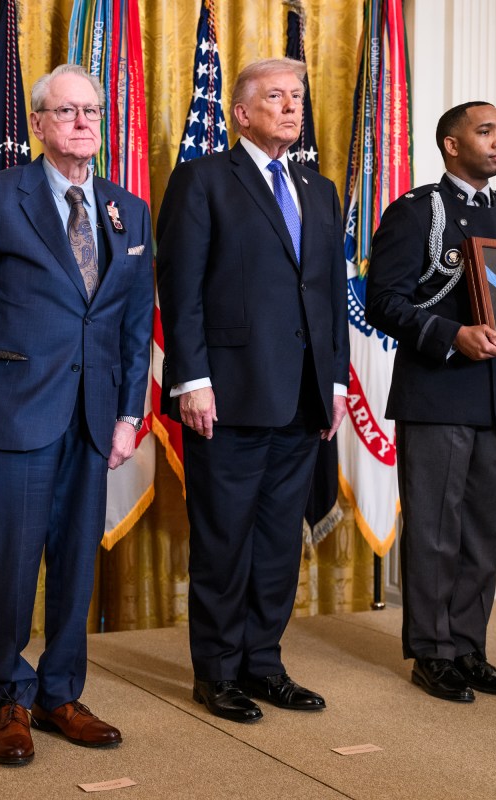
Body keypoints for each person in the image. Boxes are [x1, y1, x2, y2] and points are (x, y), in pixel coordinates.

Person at [0, 64, 153, 765]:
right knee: (10, 562)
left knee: (74, 569)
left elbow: (131, 321)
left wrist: (129, 413)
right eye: (66, 112)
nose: (82, 122)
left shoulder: (128, 209)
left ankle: (61, 692)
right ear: (38, 123)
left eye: (91, 111)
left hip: (95, 419)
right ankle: (8, 694)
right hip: (16, 415)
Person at [156, 58, 348, 724]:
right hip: (227, 395)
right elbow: (180, 289)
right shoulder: (204, 179)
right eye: (276, 96)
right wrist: (192, 379)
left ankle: (263, 663)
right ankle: (216, 673)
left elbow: (326, 298)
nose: (292, 106)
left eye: (298, 96)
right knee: (225, 539)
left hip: (302, 398)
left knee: (275, 543)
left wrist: (336, 382)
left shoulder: (319, 191)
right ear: (241, 112)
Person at [365, 101, 496, 702]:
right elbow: (383, 301)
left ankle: (469, 648)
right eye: (486, 132)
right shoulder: (416, 210)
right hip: (438, 392)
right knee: (435, 532)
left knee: (483, 532)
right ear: (452, 145)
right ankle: (431, 652)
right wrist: (452, 335)